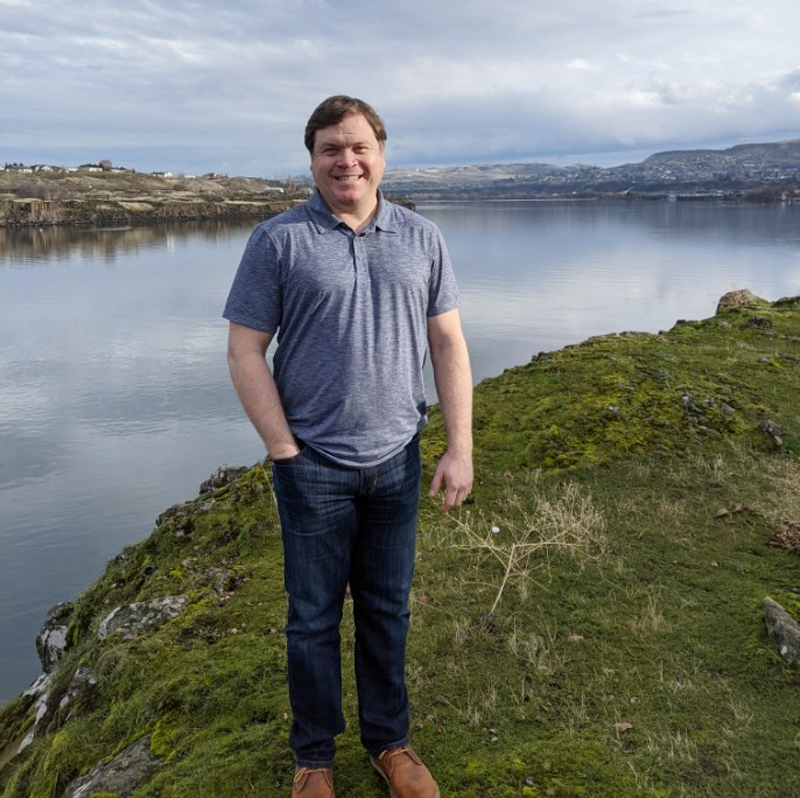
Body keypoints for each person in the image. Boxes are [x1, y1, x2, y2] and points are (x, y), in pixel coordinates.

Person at [223, 95, 473, 798]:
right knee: (311, 618)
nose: (346, 160)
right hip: (314, 468)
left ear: (382, 154)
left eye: (358, 146)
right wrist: (282, 449)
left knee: (387, 609)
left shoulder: (422, 238)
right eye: (331, 148)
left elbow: (448, 342)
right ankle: (313, 759)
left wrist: (462, 447)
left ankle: (390, 744)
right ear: (312, 160)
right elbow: (245, 351)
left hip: (398, 460)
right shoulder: (277, 241)